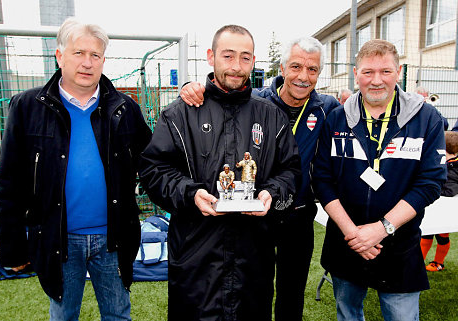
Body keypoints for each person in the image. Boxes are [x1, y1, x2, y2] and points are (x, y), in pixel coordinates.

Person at [138, 25, 301, 321]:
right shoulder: (179, 113)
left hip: (254, 263)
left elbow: (291, 171)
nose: (237, 67)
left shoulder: (271, 115)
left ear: (254, 61)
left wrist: (271, 194)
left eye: (245, 57)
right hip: (196, 263)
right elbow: (154, 171)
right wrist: (191, 194)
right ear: (211, 57)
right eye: (228, 56)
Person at [0, 18, 152, 320]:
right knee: (64, 315)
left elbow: (151, 164)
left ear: (103, 60)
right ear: (60, 56)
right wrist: (11, 248)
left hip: (113, 239)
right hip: (58, 238)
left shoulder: (125, 108)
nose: (87, 63)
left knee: (119, 314)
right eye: (79, 53)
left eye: (95, 55)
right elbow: (9, 182)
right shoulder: (27, 107)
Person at [180, 36, 334, 320]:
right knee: (251, 289)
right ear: (283, 67)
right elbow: (221, 96)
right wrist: (191, 87)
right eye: (296, 67)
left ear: (320, 73)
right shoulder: (256, 100)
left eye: (312, 70)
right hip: (255, 217)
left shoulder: (329, 108)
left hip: (298, 214)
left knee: (291, 292)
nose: (303, 76)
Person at [312, 39, 447, 320]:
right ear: (355, 73)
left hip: (400, 243)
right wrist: (354, 234)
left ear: (398, 72)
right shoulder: (336, 119)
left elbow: (431, 183)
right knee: (348, 314)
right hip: (347, 243)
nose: (376, 81)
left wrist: (382, 228)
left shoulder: (427, 118)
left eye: (385, 71)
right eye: (368, 72)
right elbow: (322, 180)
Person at [420, 130, 458, 271]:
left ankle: (438, 263)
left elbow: (450, 190)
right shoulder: (446, 163)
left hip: (444, 210)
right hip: (436, 208)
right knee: (426, 234)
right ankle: (419, 262)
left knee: (441, 236)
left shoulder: (454, 168)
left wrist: (435, 189)